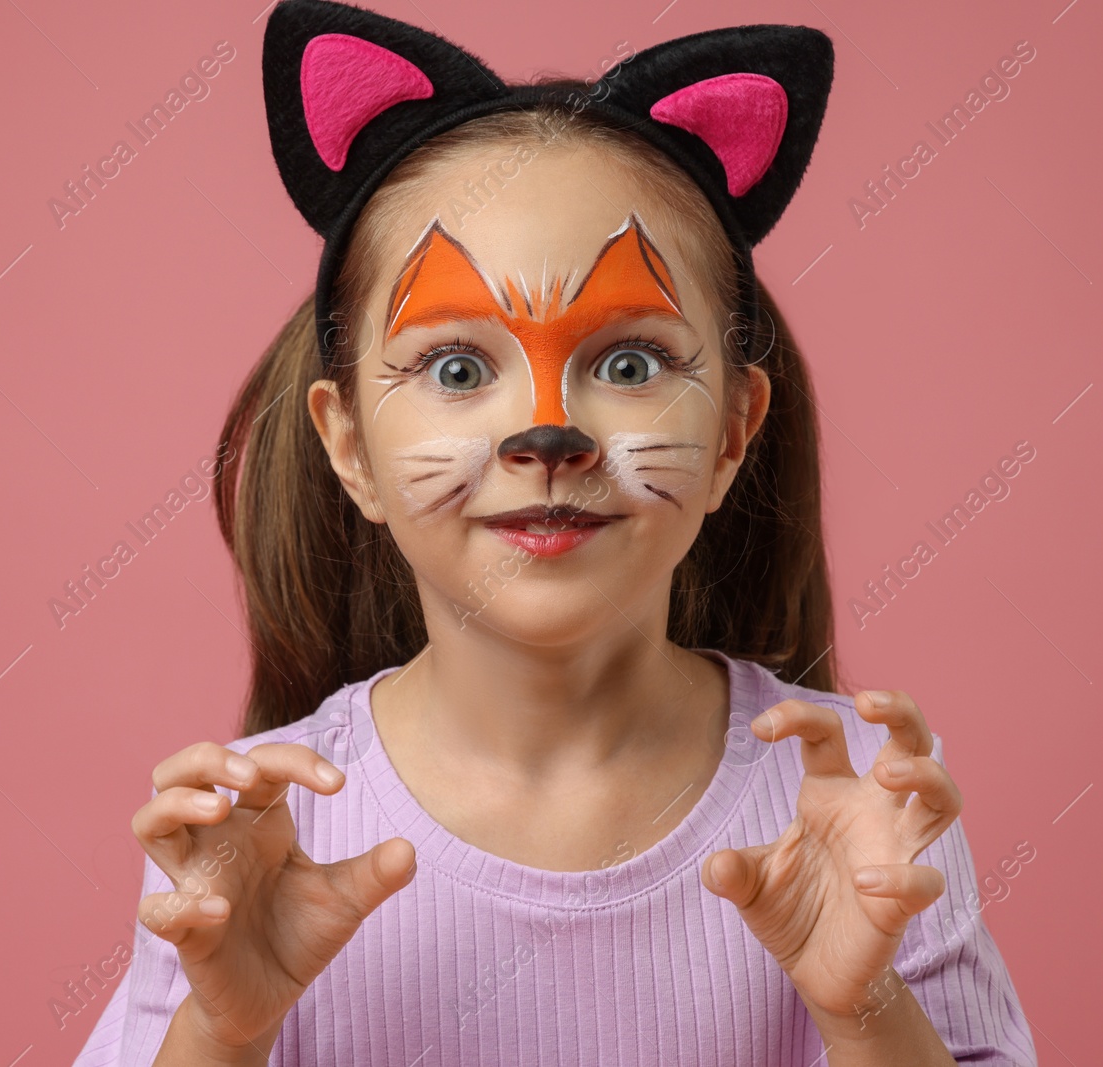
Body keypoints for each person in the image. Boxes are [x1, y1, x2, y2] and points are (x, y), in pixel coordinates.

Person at [73, 1, 1036, 1062]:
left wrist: (863, 1006)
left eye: (629, 364)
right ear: (348, 446)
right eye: (454, 368)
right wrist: (223, 1026)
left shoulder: (859, 795)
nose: (547, 430)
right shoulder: (250, 834)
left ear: (730, 434)